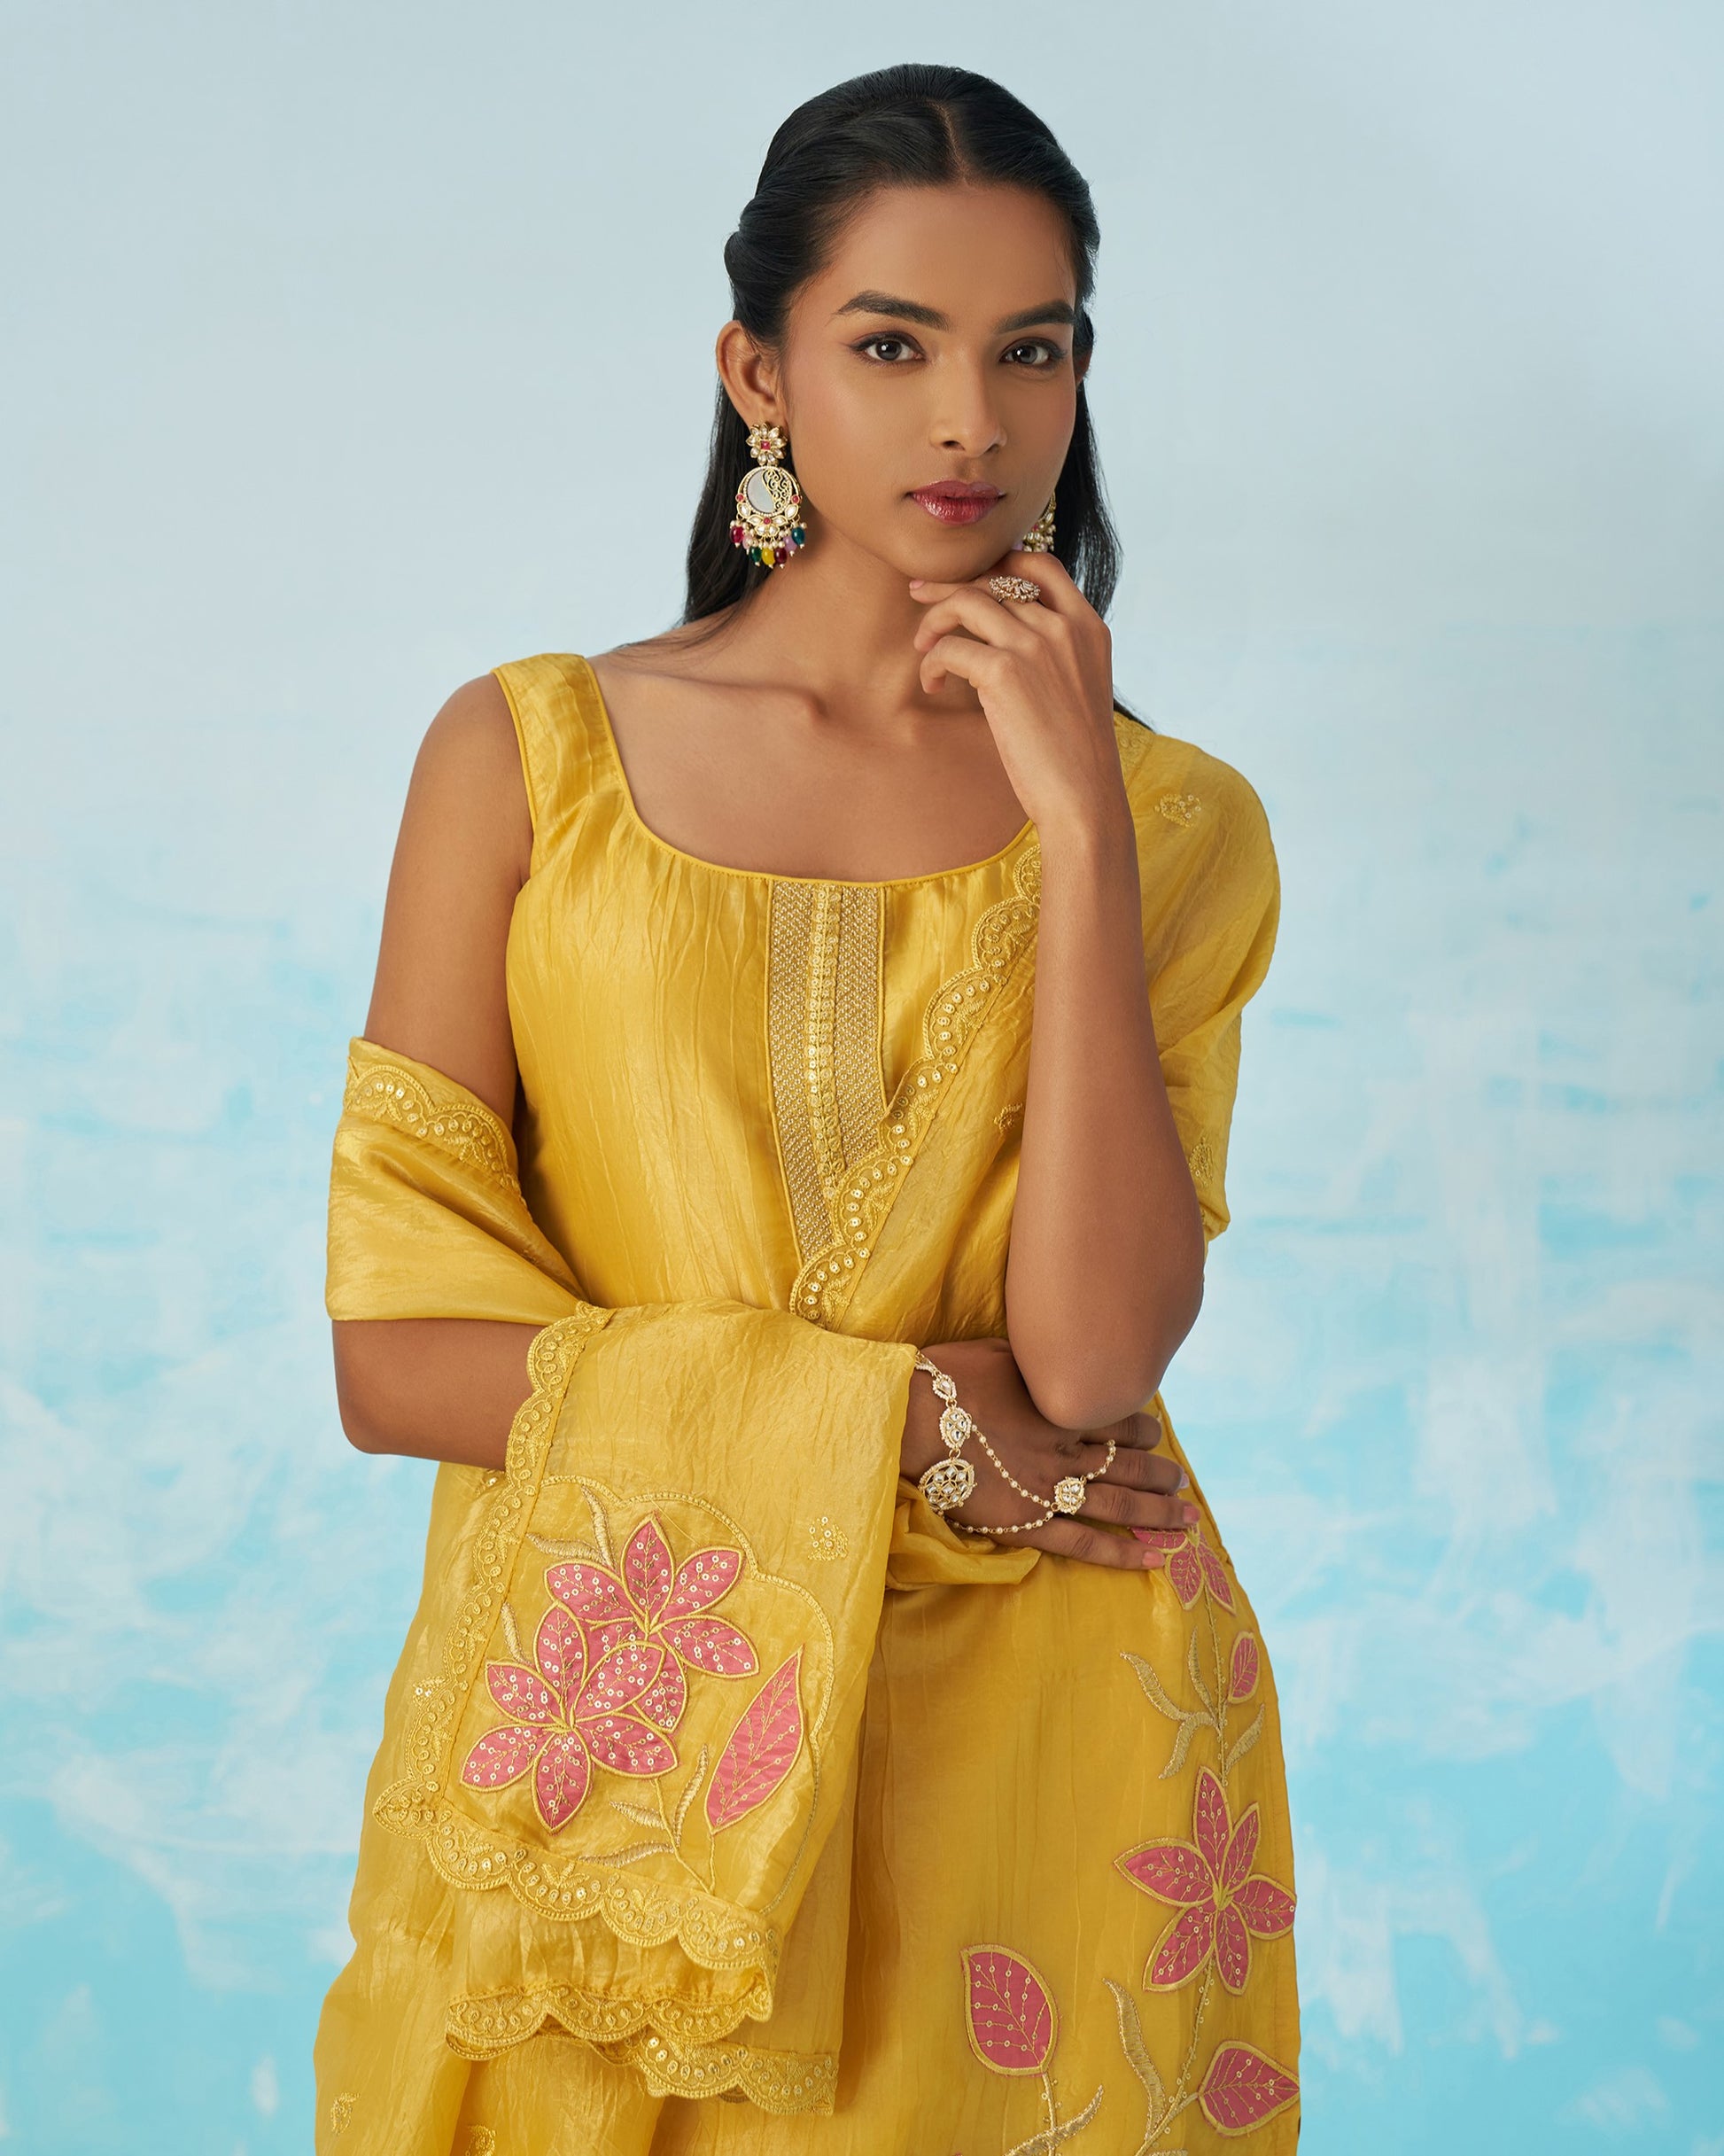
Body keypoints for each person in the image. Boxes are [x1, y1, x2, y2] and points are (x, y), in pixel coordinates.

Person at [314, 61, 1297, 2156]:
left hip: (1041, 1757)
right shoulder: (529, 765)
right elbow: (391, 1354)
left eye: (1030, 351)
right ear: (758, 370)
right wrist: (888, 1426)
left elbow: (1093, 1356)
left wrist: (1080, 834)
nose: (971, 420)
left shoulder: (1178, 823)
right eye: (891, 346)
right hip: (620, 1746)